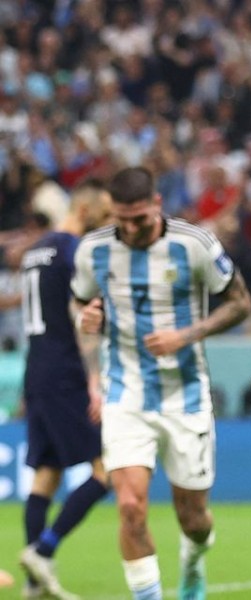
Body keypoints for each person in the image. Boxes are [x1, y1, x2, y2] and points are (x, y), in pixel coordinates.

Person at [70, 166, 251, 600]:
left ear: (157, 204)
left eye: (139, 218)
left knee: (195, 519)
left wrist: (185, 335)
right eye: (121, 220)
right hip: (125, 393)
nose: (130, 229)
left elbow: (241, 303)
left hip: (186, 396)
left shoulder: (195, 244)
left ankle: (193, 563)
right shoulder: (92, 250)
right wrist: (88, 330)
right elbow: (80, 309)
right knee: (130, 508)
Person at [18, 181, 113, 600]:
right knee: (105, 469)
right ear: (89, 209)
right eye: (106, 214)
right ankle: (44, 549)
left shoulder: (35, 251)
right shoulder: (75, 250)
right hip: (65, 371)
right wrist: (94, 381)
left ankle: (35, 584)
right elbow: (84, 316)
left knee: (46, 475)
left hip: (35, 368)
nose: (110, 223)